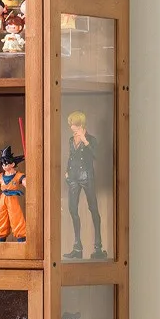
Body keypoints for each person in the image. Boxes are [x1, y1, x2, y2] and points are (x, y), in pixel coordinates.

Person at [63, 111, 106, 260]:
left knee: (93, 209)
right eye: (71, 125)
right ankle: (77, 248)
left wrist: (85, 141)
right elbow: (71, 157)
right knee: (72, 209)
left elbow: (96, 156)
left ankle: (98, 247)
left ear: (81, 124)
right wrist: (67, 172)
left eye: (74, 125)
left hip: (87, 178)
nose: (72, 127)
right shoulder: (71, 139)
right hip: (73, 178)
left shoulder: (91, 139)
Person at [0, 145, 27, 242]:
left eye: (6, 163)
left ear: (12, 164)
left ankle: (21, 237)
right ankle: (1, 237)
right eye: (3, 164)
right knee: (1, 217)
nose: (4, 166)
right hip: (3, 198)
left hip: (12, 198)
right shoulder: (0, 176)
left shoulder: (18, 175)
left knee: (16, 216)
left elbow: (26, 183)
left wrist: (27, 183)